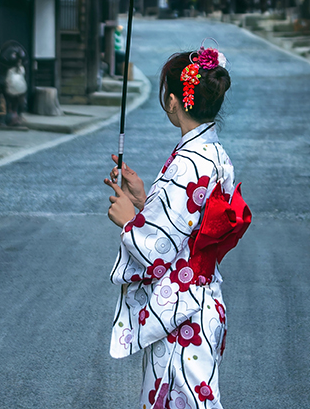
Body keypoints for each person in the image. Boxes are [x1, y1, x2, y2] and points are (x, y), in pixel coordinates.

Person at [104, 46, 251, 409]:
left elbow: (159, 246)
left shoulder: (189, 161)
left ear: (173, 101)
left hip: (184, 310)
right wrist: (144, 201)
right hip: (201, 300)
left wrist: (130, 222)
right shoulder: (213, 153)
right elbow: (186, 224)